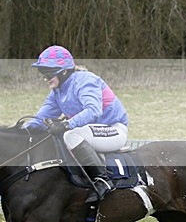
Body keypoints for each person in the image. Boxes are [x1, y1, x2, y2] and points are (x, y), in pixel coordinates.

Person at [25, 45, 129, 204]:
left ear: (64, 71)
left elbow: (93, 111)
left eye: (48, 73)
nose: (45, 78)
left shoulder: (86, 80)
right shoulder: (57, 91)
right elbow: (41, 118)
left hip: (114, 130)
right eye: (43, 74)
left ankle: (103, 180)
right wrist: (20, 132)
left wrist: (66, 125)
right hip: (91, 132)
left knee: (71, 135)